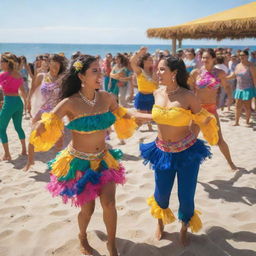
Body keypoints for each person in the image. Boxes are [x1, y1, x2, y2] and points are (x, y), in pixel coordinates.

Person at [29, 55, 138, 256]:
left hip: (104, 160)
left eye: (100, 70)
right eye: (94, 71)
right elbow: (48, 121)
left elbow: (126, 115)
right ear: (81, 76)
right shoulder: (70, 102)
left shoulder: (106, 97)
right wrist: (38, 126)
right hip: (80, 163)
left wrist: (158, 115)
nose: (100, 74)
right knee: (87, 210)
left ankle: (112, 245)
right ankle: (82, 236)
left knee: (110, 203)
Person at [138, 56, 219, 246]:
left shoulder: (188, 96)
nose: (156, 72)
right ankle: (160, 224)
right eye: (157, 69)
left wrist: (189, 138)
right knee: (161, 193)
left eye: (161, 69)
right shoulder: (157, 92)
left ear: (174, 73)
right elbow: (156, 116)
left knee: (186, 194)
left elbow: (200, 119)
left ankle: (184, 228)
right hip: (161, 152)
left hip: (187, 154)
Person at [189, 49, 237, 170]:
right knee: (190, 140)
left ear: (214, 59)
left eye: (207, 58)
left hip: (211, 110)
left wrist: (230, 98)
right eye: (203, 57)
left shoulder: (220, 73)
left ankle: (230, 163)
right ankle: (187, 165)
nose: (204, 60)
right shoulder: (196, 72)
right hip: (197, 110)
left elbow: (227, 86)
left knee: (219, 139)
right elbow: (188, 88)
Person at [24, 54, 67, 171]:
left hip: (56, 112)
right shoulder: (41, 76)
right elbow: (32, 89)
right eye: (53, 66)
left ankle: (58, 164)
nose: (54, 69)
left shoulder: (63, 79)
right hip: (42, 110)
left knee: (59, 142)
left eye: (57, 67)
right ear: (49, 64)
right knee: (33, 135)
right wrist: (28, 102)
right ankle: (30, 161)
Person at [0, 53, 27, 160]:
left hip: (9, 102)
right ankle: (24, 150)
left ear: (7, 62)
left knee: (1, 129)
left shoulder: (3, 75)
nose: (0, 64)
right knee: (18, 127)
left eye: (1, 61)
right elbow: (22, 91)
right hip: (18, 102)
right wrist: (26, 102)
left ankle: (7, 154)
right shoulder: (18, 74)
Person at [130, 47, 158, 131]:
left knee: (150, 114)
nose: (152, 61)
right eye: (150, 60)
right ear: (144, 61)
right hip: (142, 96)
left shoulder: (154, 72)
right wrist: (139, 52)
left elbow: (157, 84)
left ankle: (149, 127)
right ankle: (132, 127)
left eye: (152, 60)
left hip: (152, 96)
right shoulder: (140, 71)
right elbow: (132, 62)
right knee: (141, 116)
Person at [227, 50, 256, 126]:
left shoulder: (251, 66)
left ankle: (247, 122)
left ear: (247, 56)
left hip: (248, 89)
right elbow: (233, 75)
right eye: (240, 55)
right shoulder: (238, 65)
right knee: (237, 106)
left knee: (247, 107)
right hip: (239, 89)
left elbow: (254, 79)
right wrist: (224, 78)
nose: (241, 57)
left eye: (243, 55)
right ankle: (236, 122)